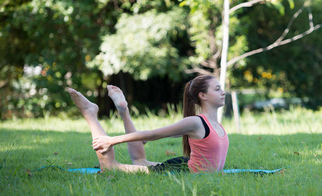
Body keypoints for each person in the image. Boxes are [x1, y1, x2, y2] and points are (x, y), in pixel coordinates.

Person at [68, 75, 229, 174]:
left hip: (185, 165)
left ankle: (124, 112)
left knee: (140, 161)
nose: (223, 92)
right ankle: (90, 113)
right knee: (109, 168)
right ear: (203, 95)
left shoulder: (215, 124)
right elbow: (154, 134)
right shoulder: (195, 122)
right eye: (217, 89)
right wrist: (112, 140)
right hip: (180, 171)